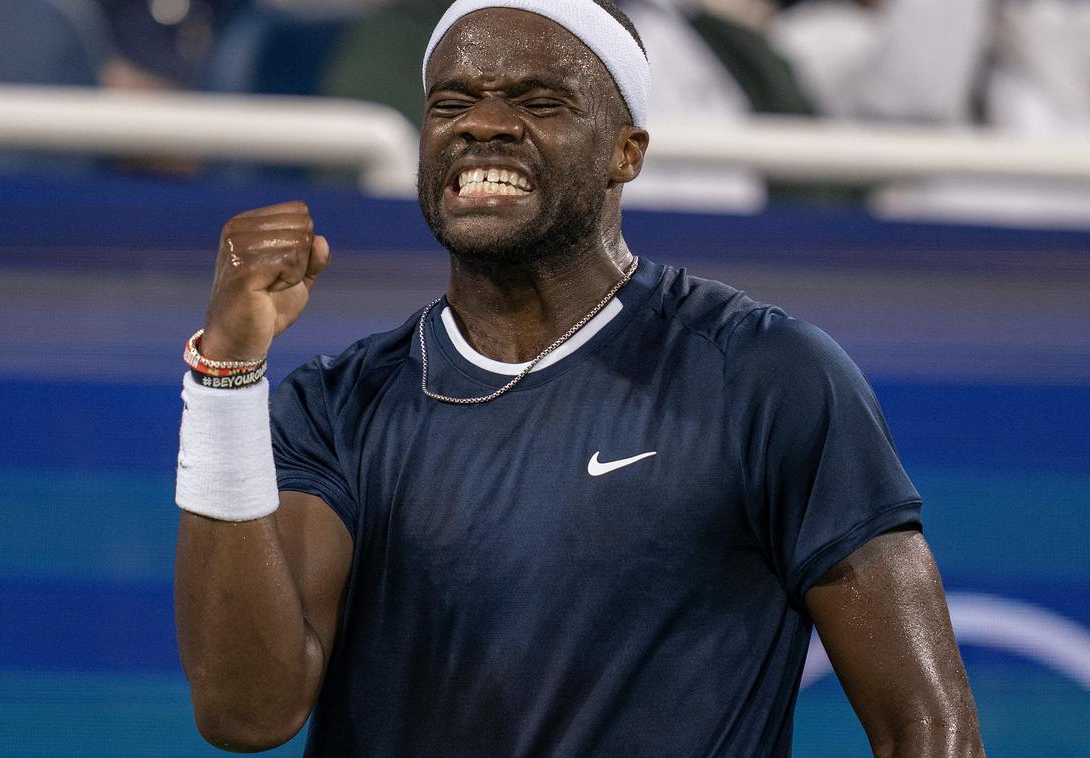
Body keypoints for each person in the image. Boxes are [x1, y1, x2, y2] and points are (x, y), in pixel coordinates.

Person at [173, 0, 985, 755]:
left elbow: (927, 722)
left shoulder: (768, 377)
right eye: (451, 105)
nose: (485, 125)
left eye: (539, 101)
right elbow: (248, 712)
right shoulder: (335, 406)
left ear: (625, 154)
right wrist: (226, 378)